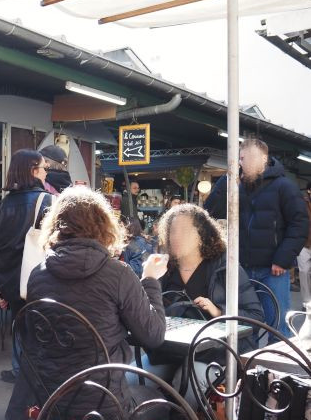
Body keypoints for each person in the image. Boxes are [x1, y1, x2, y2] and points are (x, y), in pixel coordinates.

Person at [3, 186, 167, 420]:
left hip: (51, 406)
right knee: (162, 401)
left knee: (122, 399)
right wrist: (151, 280)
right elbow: (154, 335)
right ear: (104, 225)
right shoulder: (118, 274)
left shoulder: (38, 275)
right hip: (103, 413)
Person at [130, 204, 264, 394]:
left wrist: (219, 311)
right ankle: (159, 412)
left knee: (187, 383)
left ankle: (178, 415)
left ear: (202, 235)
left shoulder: (224, 267)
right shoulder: (163, 268)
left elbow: (256, 316)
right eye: (172, 231)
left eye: (184, 231)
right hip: (169, 351)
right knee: (129, 379)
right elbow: (142, 315)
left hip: (214, 354)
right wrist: (148, 278)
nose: (176, 237)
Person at [204, 138, 308, 338]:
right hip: (241, 268)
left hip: (272, 269)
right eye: (240, 158)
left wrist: (283, 259)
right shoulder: (237, 187)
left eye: (246, 158)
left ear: (263, 158)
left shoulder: (284, 186)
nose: (241, 162)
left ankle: (276, 359)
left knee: (277, 326)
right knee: (243, 326)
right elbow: (210, 212)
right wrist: (227, 180)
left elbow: (299, 224)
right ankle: (245, 359)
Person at [0, 149, 53, 384]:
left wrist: (2, 285)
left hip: (12, 282)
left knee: (19, 322)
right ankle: (38, 374)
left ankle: (19, 370)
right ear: (33, 171)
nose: (46, 173)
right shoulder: (48, 202)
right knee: (42, 327)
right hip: (42, 279)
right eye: (44, 168)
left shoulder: (2, 206)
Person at [297, 182, 311, 306]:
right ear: (309, 190)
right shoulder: (301, 203)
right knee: (304, 271)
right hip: (303, 243)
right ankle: (306, 302)